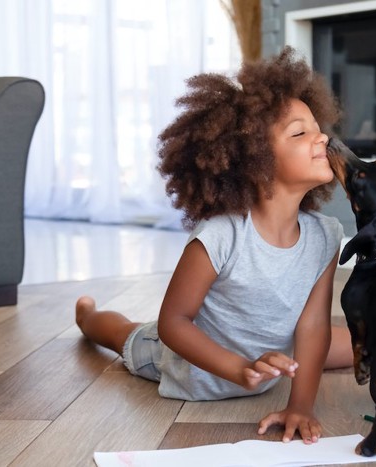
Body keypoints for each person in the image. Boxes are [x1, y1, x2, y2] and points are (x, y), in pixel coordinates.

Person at [75, 46, 352, 445]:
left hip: (269, 360)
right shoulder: (222, 234)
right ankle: (87, 314)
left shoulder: (325, 234)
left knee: (351, 342)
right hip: (189, 368)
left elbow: (312, 327)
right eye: (300, 132)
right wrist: (239, 368)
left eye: (317, 127)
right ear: (255, 160)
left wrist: (301, 406)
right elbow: (173, 323)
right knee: (124, 334)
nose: (322, 137)